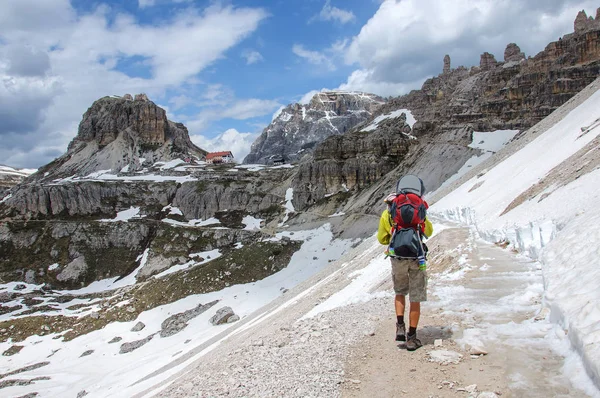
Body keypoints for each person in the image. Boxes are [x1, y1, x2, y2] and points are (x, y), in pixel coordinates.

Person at [377, 191, 433, 351]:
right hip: (417, 257)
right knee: (416, 297)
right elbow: (428, 231)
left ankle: (400, 326)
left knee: (400, 292)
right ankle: (412, 337)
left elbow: (382, 239)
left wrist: (395, 239)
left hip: (397, 257)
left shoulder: (386, 215)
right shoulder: (419, 212)